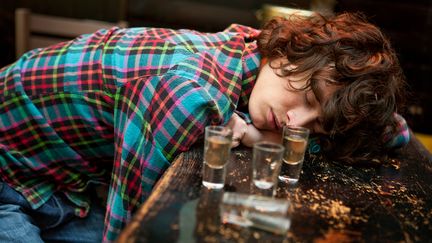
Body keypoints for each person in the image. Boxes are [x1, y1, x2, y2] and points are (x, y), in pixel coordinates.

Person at [0, 11, 409, 242]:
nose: (295, 125)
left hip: (66, 186)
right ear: (289, 52)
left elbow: (394, 130)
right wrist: (250, 134)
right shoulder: (182, 86)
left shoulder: (256, 53)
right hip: (11, 184)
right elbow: (134, 229)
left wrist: (253, 131)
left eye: (317, 128)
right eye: (308, 99)